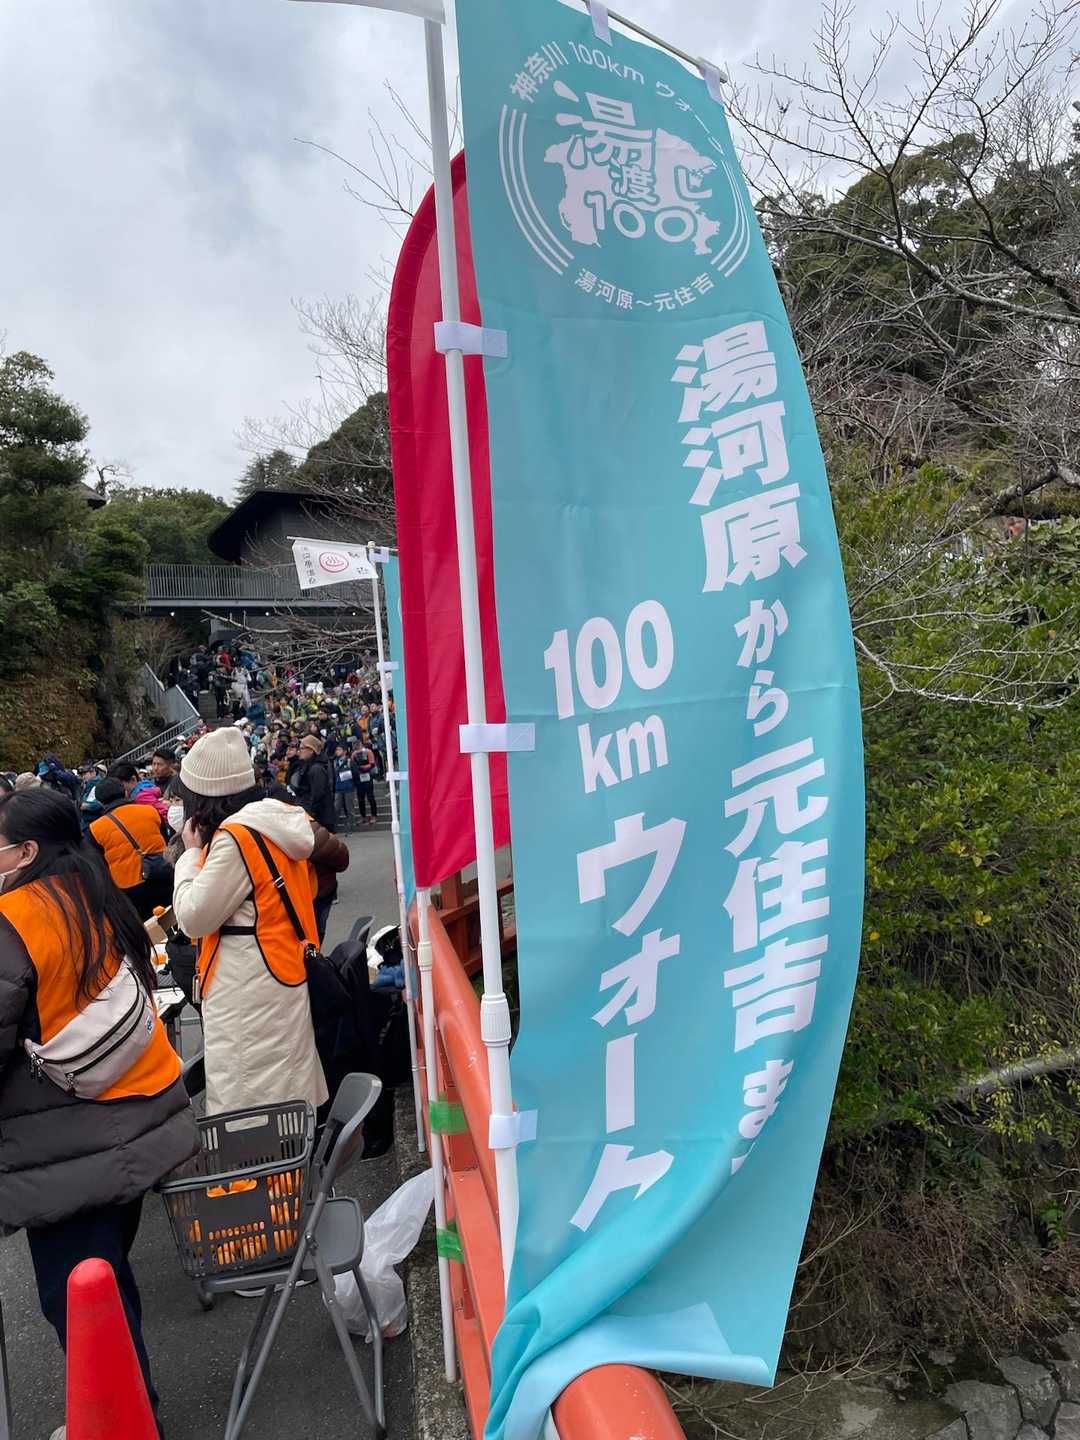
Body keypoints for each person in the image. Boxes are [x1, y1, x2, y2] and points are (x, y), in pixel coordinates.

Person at [0, 788, 198, 1436]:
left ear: (26, 851)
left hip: (65, 1146)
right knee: (106, 1283)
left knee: (76, 1299)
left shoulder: (13, 918)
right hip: (140, 1120)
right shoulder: (94, 894)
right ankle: (133, 1409)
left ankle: (118, 1423)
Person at [170, 728, 327, 1114]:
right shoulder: (272, 823)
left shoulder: (234, 839)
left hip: (247, 985)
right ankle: (294, 1152)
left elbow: (193, 916)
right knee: (285, 1085)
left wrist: (189, 855)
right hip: (278, 970)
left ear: (204, 794)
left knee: (249, 1099)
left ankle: (261, 1158)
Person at [87, 778, 171, 920]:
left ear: (100, 802)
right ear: (125, 792)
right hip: (162, 873)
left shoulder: (95, 829)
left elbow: (99, 864)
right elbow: (165, 838)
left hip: (128, 886)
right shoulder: (150, 811)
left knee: (147, 926)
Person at [288, 734, 336, 832]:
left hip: (319, 819)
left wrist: (310, 812)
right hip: (313, 817)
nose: (299, 751)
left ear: (311, 750)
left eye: (302, 748)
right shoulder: (307, 766)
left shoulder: (316, 769)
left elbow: (318, 795)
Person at [351, 743, 379, 826]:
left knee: (370, 797)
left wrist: (364, 767)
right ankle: (363, 816)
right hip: (359, 777)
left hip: (367, 776)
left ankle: (374, 815)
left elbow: (372, 763)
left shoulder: (368, 752)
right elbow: (352, 764)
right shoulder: (354, 754)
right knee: (360, 798)